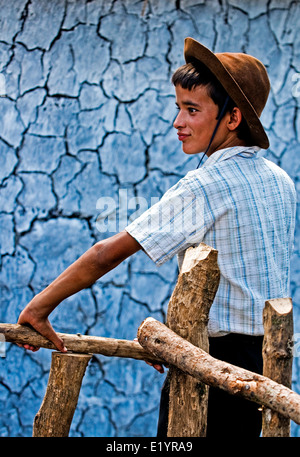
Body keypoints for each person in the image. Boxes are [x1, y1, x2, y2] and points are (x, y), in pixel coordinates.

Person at [17, 38, 296, 437]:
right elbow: (241, 281)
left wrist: (39, 308)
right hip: (270, 361)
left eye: (192, 110)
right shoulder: (281, 181)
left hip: (213, 369)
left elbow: (105, 254)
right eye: (178, 108)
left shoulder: (204, 186)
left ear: (233, 118)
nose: (178, 122)